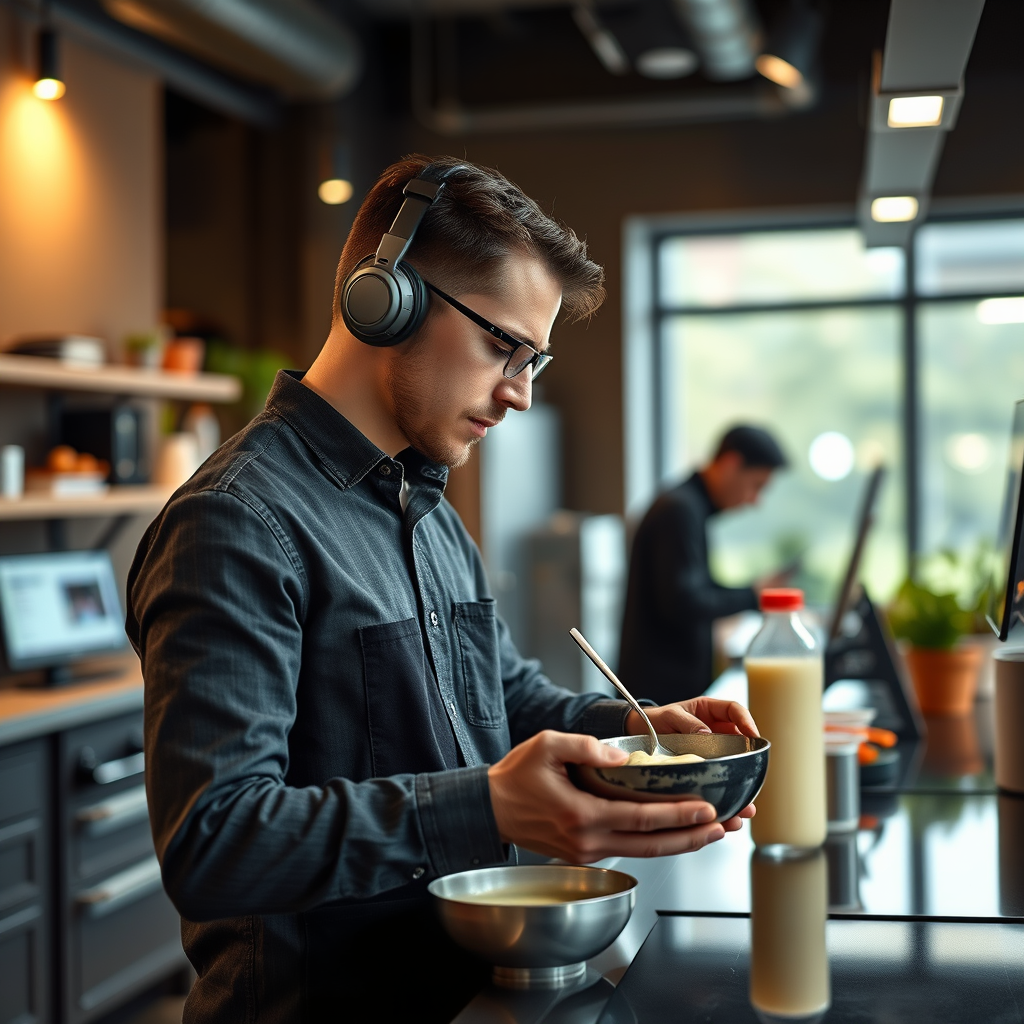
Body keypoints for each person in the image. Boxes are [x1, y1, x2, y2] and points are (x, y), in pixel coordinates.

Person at [127, 155, 758, 1023]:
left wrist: (642, 733)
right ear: (383, 299)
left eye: (532, 359)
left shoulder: (430, 511)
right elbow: (216, 841)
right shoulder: (235, 523)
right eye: (504, 346)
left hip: (463, 996)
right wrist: (489, 804)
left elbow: (503, 696)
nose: (520, 394)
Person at [619, 425, 788, 705]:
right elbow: (684, 602)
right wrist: (752, 595)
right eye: (756, 486)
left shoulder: (687, 506)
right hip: (660, 696)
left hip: (664, 690)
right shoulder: (680, 510)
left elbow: (693, 588)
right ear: (731, 464)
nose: (755, 501)